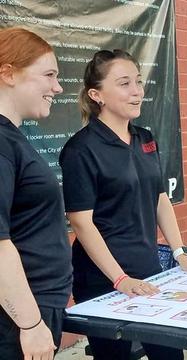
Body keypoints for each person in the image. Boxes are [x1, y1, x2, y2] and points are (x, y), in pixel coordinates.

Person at [59, 49, 187, 360]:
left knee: (169, 355)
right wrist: (120, 279)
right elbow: (81, 222)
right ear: (97, 94)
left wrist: (179, 253)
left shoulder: (145, 138)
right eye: (124, 83)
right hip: (102, 281)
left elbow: (160, 199)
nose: (136, 91)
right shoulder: (81, 149)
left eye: (139, 82)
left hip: (149, 272)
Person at [0, 28, 72, 359]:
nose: (57, 87)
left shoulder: (12, 139)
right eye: (49, 75)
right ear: (8, 73)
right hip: (15, 320)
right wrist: (29, 324)